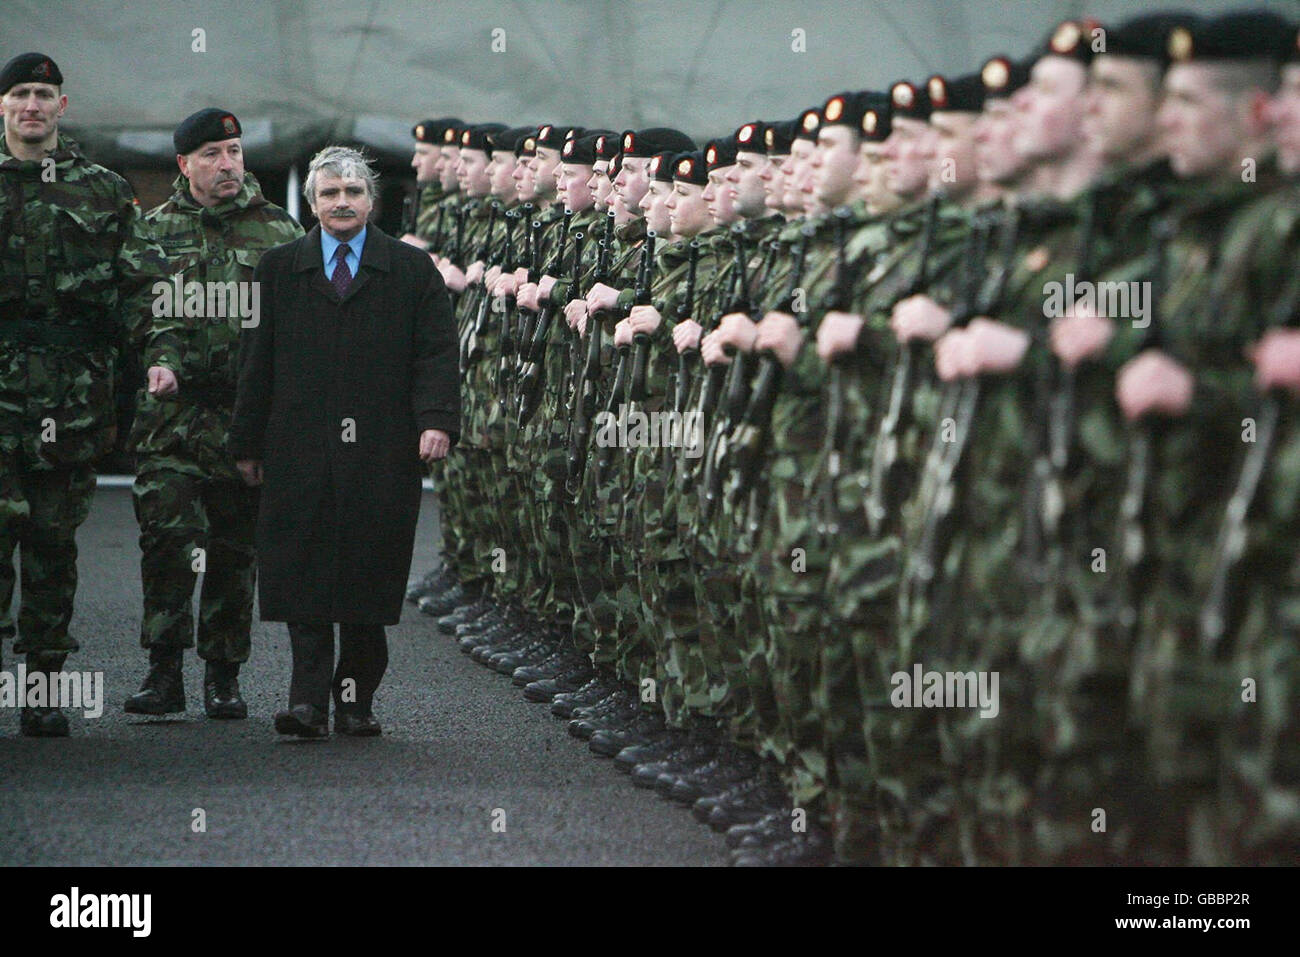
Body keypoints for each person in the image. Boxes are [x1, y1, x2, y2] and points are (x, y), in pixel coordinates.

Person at [229, 145, 460, 737]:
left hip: (382, 448)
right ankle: (306, 702)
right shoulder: (279, 268)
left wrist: (435, 419)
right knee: (302, 573)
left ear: (371, 200)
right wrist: (247, 442)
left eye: (353, 192)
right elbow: (258, 361)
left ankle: (355, 700)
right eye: (330, 193)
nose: (342, 203)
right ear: (311, 203)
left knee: (367, 572)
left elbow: (434, 352)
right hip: (299, 445)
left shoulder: (410, 271)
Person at [0, 52, 162, 736]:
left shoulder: (102, 189)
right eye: (20, 94)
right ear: (2, 106)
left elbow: (140, 290)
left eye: (44, 93)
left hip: (71, 399)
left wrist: (155, 360)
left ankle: (40, 689)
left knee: (51, 546)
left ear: (62, 106)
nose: (32, 104)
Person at [124, 108, 303, 719]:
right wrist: (158, 355)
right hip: (171, 418)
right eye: (211, 155)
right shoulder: (152, 231)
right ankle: (163, 671)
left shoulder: (279, 232)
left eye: (233, 151)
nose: (227, 164)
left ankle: (223, 676)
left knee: (234, 548)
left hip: (242, 417)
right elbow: (140, 313)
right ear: (184, 165)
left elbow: (297, 331)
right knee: (168, 542)